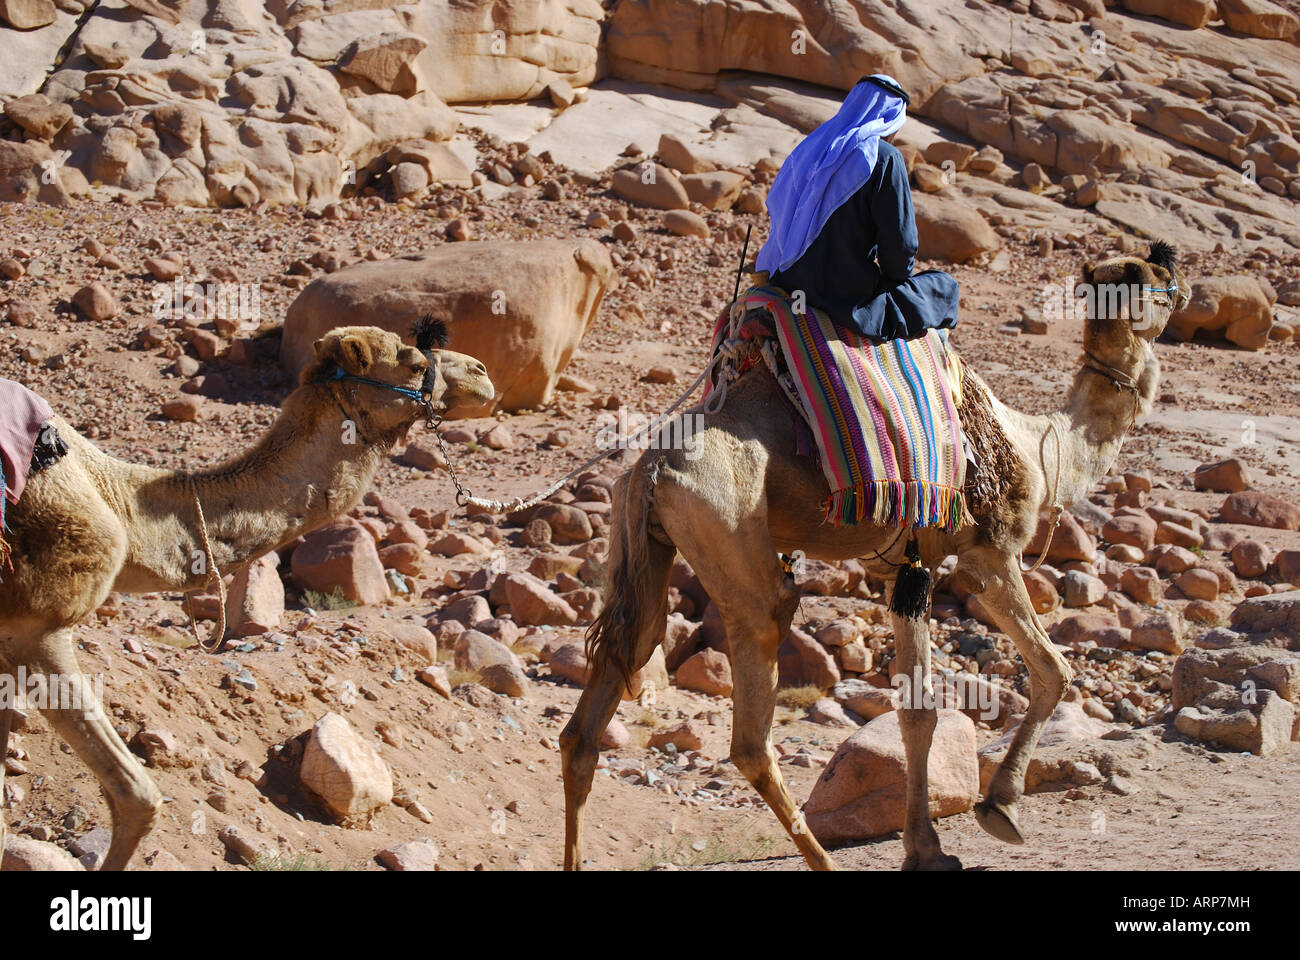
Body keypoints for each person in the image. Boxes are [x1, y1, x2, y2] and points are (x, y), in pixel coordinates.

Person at [756, 74, 960, 342]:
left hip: (786, 280)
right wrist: (896, 277)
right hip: (843, 298)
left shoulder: (811, 148)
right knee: (944, 288)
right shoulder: (885, 158)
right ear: (893, 120)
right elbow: (901, 245)